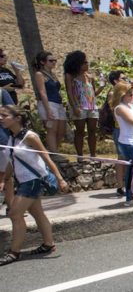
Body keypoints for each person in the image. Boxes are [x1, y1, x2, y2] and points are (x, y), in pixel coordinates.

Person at [0, 106, 69, 266]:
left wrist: (60, 179)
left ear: (17, 118)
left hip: (33, 180)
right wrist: (5, 178)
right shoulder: (12, 137)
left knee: (15, 214)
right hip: (23, 181)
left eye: (4, 115)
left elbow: (46, 158)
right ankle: (48, 244)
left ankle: (14, 252)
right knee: (37, 212)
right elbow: (12, 161)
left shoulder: (30, 137)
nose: (1, 118)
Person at [63, 51, 102, 161]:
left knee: (92, 130)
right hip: (79, 105)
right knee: (80, 131)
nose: (87, 64)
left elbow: (94, 93)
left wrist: (102, 86)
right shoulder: (70, 76)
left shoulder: (89, 77)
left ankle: (93, 155)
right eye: (84, 62)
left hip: (91, 105)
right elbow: (69, 92)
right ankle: (80, 155)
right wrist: (74, 106)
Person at [33, 51, 66, 153]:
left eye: (55, 60)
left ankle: (53, 151)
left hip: (58, 103)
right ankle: (54, 153)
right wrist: (48, 110)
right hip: (48, 103)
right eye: (51, 61)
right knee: (52, 130)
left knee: (61, 131)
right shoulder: (39, 74)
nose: (54, 62)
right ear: (43, 62)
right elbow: (42, 92)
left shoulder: (53, 74)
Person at [107, 71, 128, 197]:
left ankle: (128, 184)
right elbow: (114, 110)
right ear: (115, 81)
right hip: (120, 129)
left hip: (128, 129)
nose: (126, 79)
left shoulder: (127, 93)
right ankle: (120, 186)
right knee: (121, 158)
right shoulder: (112, 94)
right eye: (123, 78)